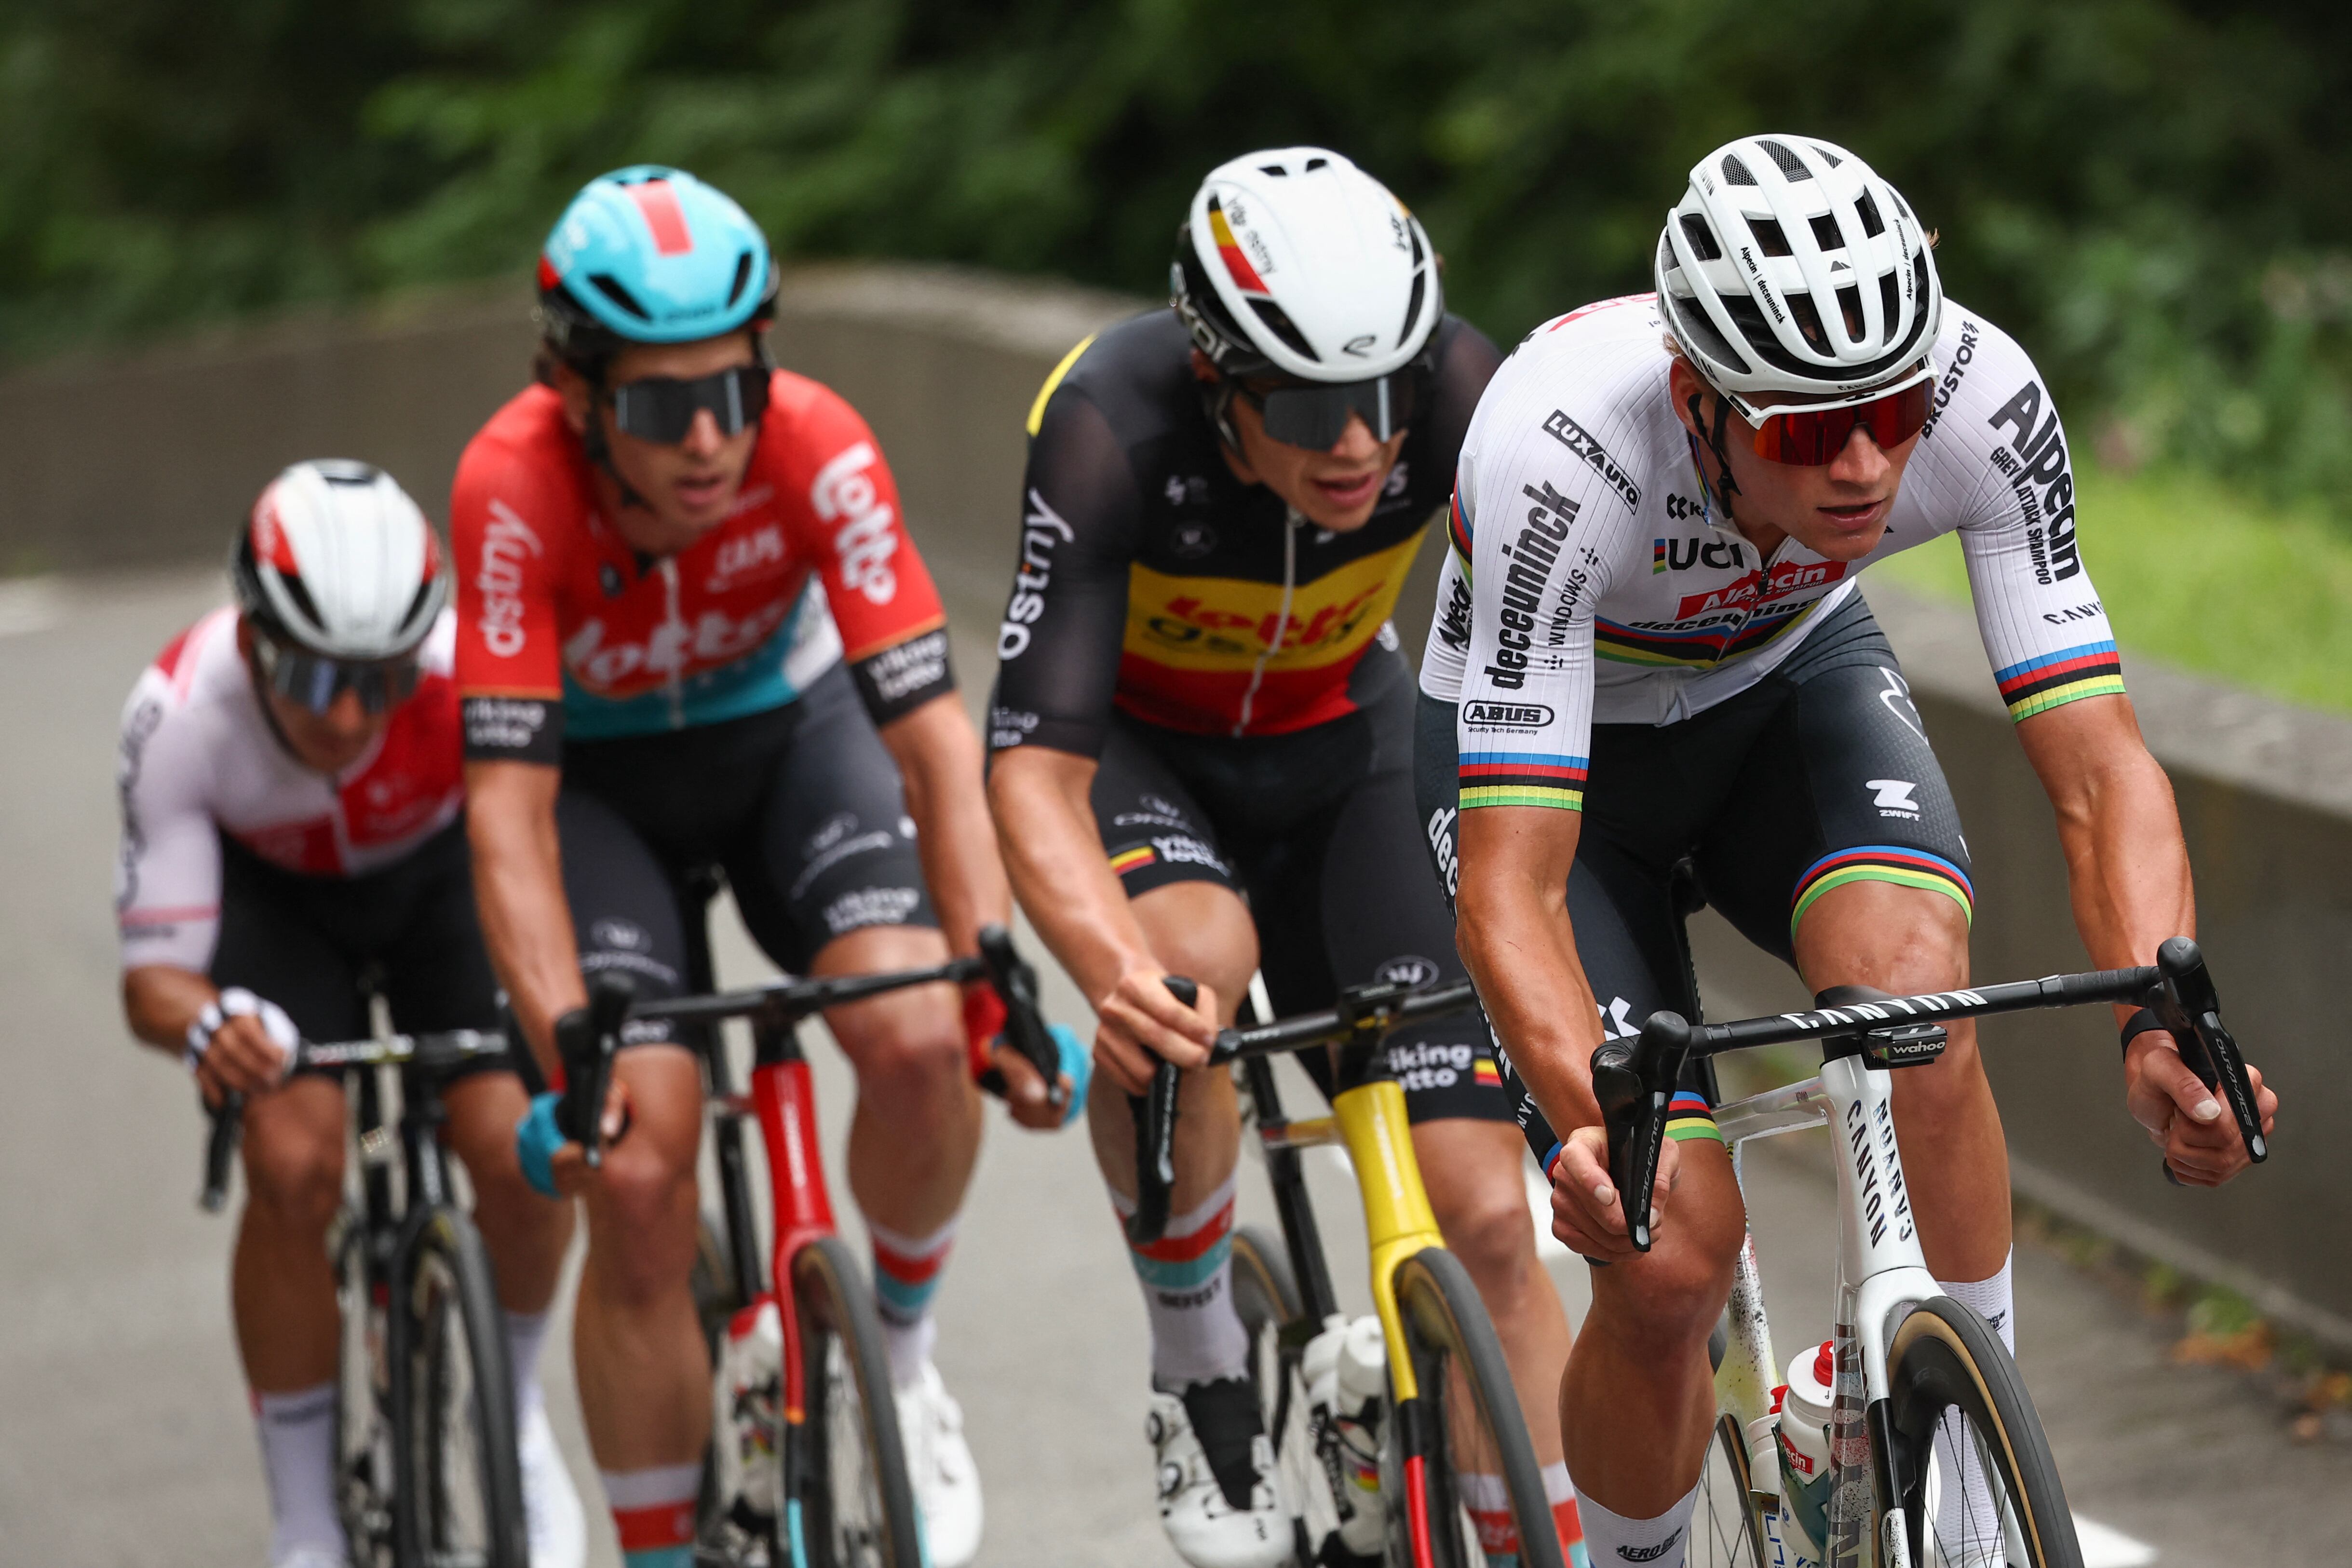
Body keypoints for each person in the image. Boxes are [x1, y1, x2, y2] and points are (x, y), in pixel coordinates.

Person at [1419, 134, 2280, 1567]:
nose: (1867, 462)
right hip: (1559, 771)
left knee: (1915, 999)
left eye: (1888, 407)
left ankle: (1971, 1484)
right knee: (1671, 1250)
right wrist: (1602, 1134)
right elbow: (1509, 890)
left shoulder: (1981, 396)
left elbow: (2095, 767)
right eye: (1809, 432)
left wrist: (2153, 1012)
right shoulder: (1558, 453)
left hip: (1780, 688)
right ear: (1696, 401)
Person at [987, 147, 1585, 1568]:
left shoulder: (1457, 399)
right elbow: (1027, 766)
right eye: (1308, 403)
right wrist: (1105, 969)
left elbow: (1568, 658)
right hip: (1148, 753)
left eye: (1384, 392)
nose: (1359, 442)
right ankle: (1197, 1371)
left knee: (1491, 1218)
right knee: (1189, 974)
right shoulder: (1104, 427)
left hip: (1343, 739)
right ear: (1212, 379)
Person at [453, 165, 1055, 1568]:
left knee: (914, 1035)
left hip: (788, 742)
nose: (713, 437)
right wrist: (565, 1054)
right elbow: (503, 820)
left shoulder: (816, 442)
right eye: (665, 407)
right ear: (578, 393)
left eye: (737, 388)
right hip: (597, 790)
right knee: (642, 1166)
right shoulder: (510, 484)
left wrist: (992, 981)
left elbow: (929, 737)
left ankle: (897, 1363)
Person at [115, 460, 585, 1568]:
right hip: (278, 912)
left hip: (436, 887)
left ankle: (509, 1415)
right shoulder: (180, 713)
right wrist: (209, 1024)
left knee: (515, 1148)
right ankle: (306, 1521)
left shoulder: (471, 674)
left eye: (376, 682)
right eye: (308, 672)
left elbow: (538, 852)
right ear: (250, 633)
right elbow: (152, 979)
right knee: (293, 1160)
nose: (339, 713)